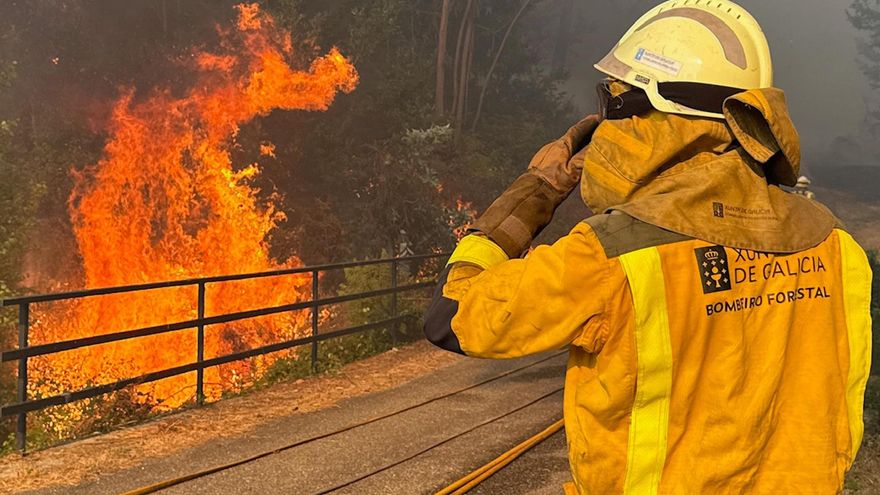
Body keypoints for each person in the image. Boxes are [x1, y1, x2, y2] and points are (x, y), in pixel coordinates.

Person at [423, 1, 873, 493]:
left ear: (652, 114)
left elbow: (452, 317)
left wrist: (537, 192)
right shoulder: (836, 245)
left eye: (613, 102)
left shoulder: (610, 256)